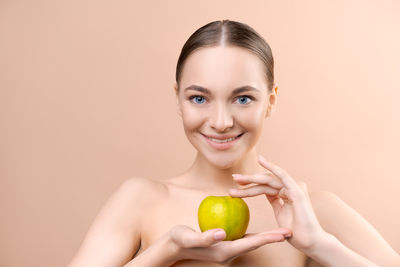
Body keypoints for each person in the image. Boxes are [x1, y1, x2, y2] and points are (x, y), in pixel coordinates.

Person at [68, 20, 399, 267]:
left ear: (270, 101)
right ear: (178, 100)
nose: (221, 121)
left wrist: (319, 244)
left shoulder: (311, 212)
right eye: (199, 98)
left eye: (243, 98)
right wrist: (167, 250)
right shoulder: (141, 199)